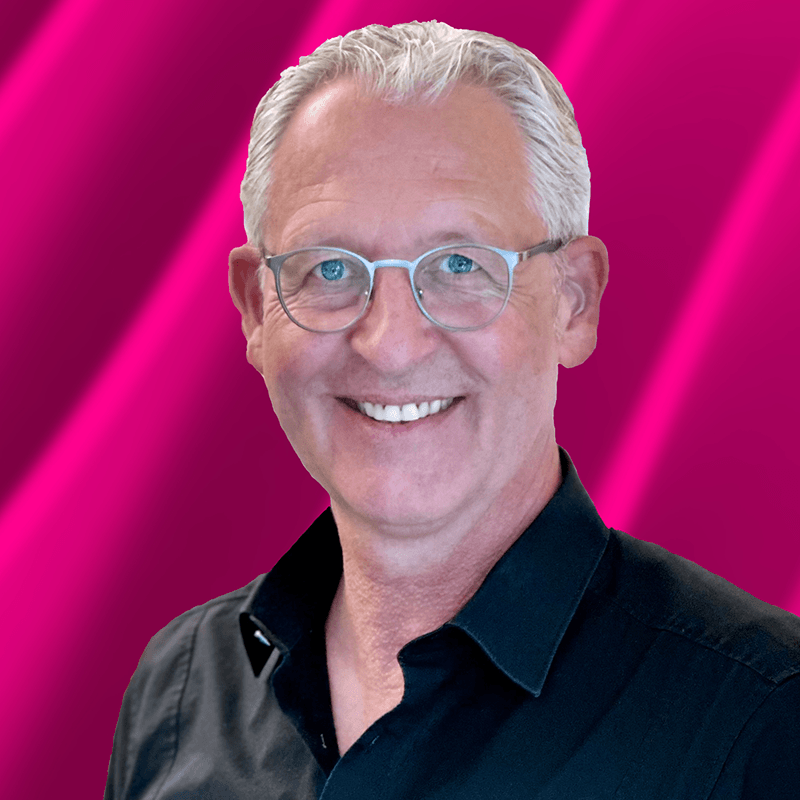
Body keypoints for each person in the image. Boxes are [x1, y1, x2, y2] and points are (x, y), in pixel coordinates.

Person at [105, 21, 800, 799]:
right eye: (330, 268)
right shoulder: (179, 691)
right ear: (257, 309)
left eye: (460, 264)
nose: (390, 345)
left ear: (573, 301)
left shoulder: (766, 719)